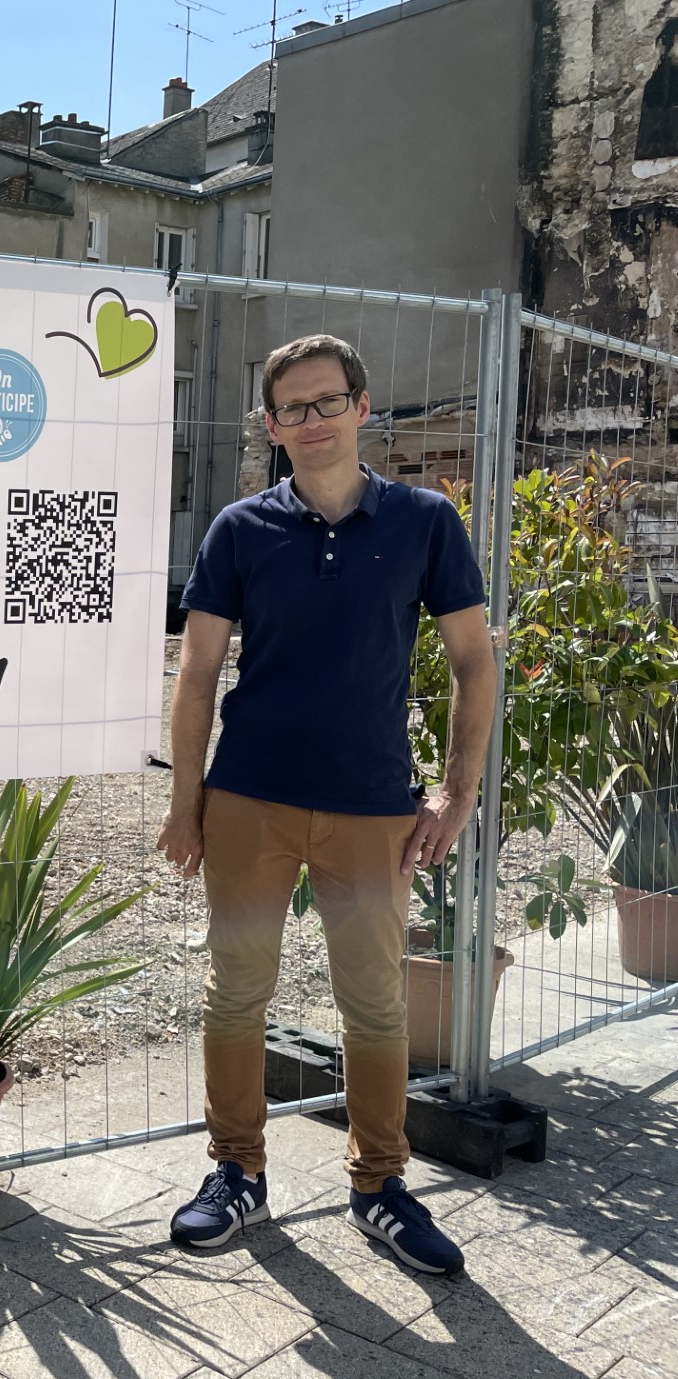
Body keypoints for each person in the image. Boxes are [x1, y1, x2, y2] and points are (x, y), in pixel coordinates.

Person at [155, 333, 495, 1276]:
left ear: (362, 406)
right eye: (291, 409)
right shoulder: (238, 530)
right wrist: (186, 803)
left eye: (327, 401)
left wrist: (455, 792)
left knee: (375, 1004)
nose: (311, 421)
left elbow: (475, 663)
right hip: (249, 800)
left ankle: (380, 1186)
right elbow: (196, 673)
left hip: (371, 804)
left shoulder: (425, 522)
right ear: (271, 425)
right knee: (236, 993)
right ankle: (236, 1173)